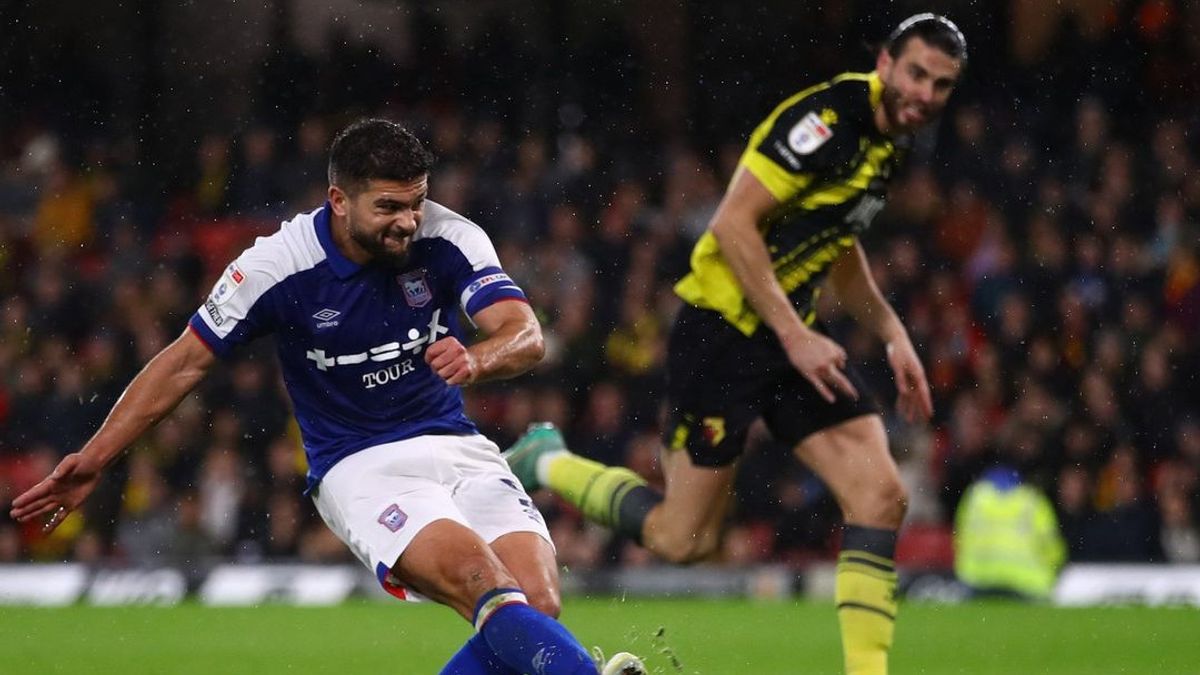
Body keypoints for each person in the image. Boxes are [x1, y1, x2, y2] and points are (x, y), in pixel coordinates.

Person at [10, 119, 644, 675]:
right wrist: (93, 459)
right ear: (339, 200)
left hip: (455, 443)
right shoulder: (277, 265)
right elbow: (183, 364)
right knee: (485, 586)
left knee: (539, 607)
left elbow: (526, 333)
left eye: (416, 203)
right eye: (389, 207)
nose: (408, 222)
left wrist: (478, 357)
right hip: (360, 465)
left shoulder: (448, 238)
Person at [504, 14, 966, 675]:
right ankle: (546, 460)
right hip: (724, 333)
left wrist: (892, 331)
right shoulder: (828, 122)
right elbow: (732, 226)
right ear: (886, 62)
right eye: (916, 73)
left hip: (791, 333)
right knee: (680, 537)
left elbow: (838, 242)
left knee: (880, 494)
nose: (924, 92)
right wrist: (796, 334)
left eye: (941, 84)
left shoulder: (890, 143)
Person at [953, 466, 1066, 600]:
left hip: (979, 580)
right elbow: (1051, 545)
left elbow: (960, 537)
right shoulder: (1032, 501)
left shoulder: (974, 498)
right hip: (1027, 584)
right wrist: (1055, 567)